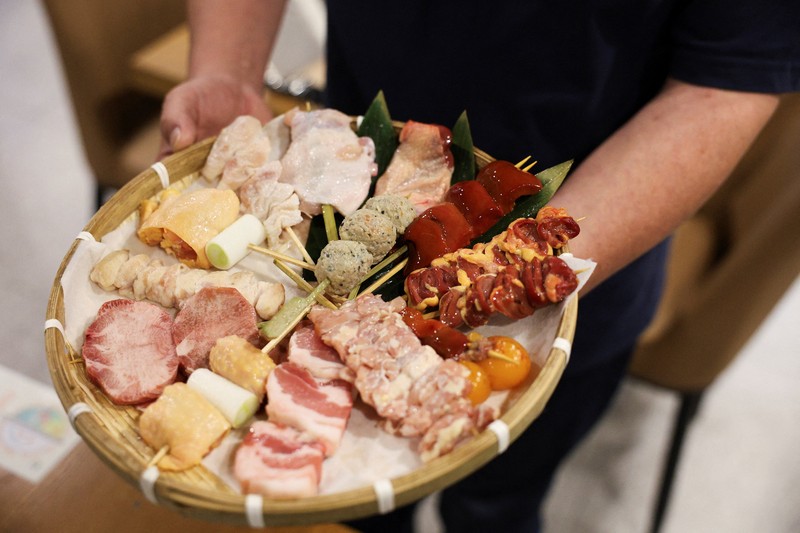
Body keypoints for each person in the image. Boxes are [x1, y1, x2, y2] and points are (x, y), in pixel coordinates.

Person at [159, 1, 799, 531]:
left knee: (498, 506)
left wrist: (517, 271)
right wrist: (230, 71)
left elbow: (724, 82)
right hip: (342, 187)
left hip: (583, 248)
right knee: (350, 503)